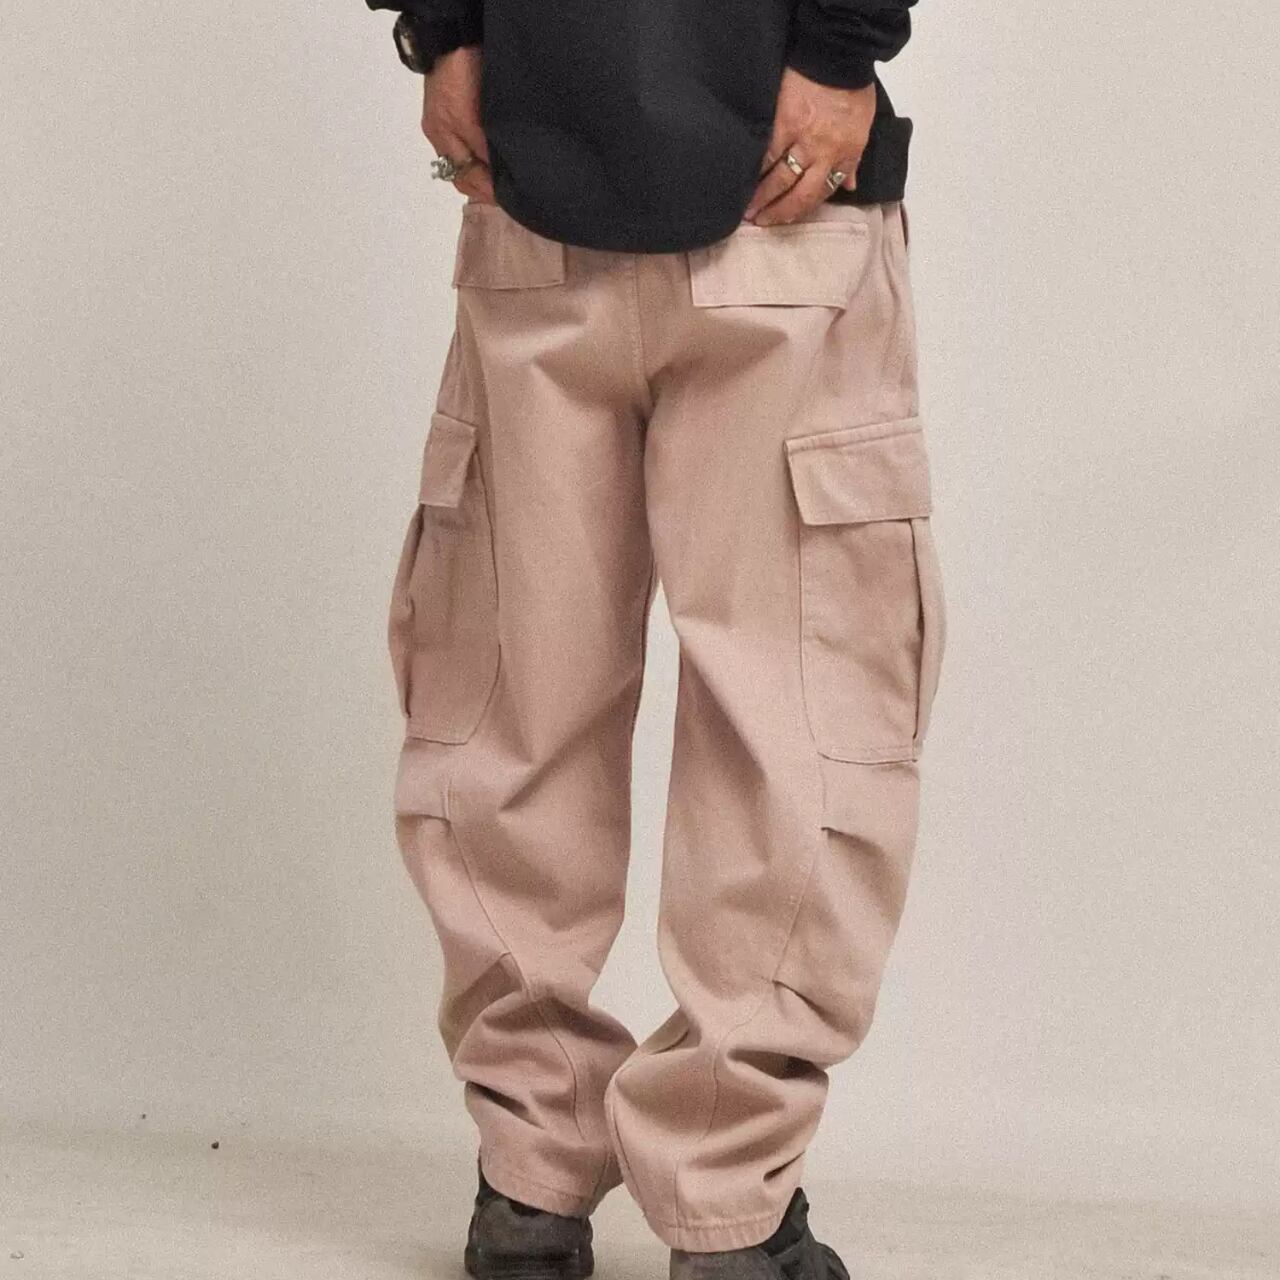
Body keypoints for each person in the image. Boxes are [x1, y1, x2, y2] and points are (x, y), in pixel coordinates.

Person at [368, 2, 944, 1277]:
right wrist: (444, 30)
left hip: (695, 173)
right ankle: (676, 1185)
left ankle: (556, 1175)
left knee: (527, 696)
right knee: (781, 708)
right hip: (704, 187)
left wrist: (449, 30)